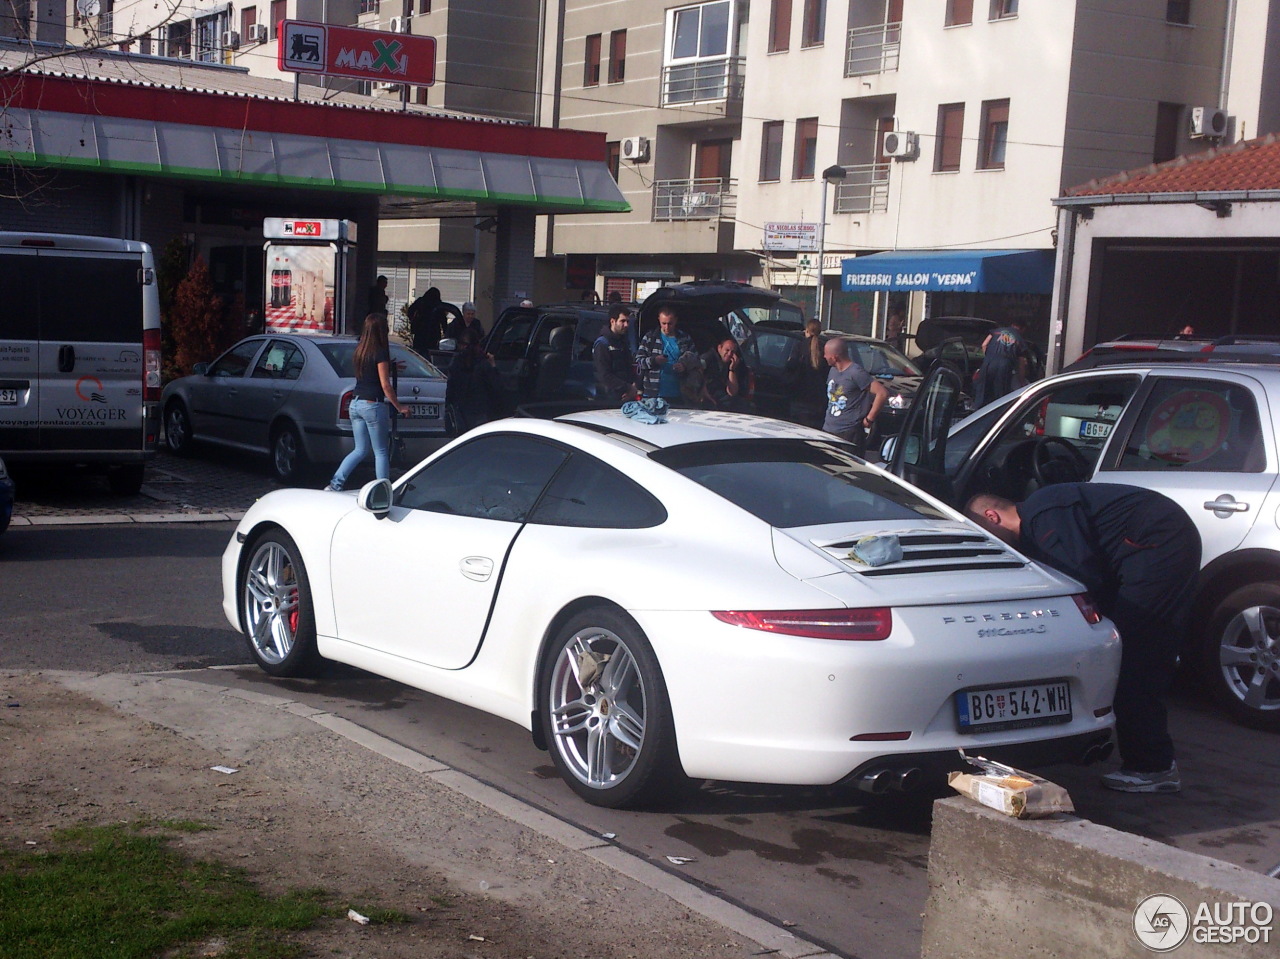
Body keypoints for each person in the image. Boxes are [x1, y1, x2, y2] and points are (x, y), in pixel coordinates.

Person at [965, 484, 1202, 794]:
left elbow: (1081, 581)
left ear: (992, 516)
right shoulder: (1044, 512)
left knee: (1136, 656)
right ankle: (1149, 758)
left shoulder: (1044, 521)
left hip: (1157, 543)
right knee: (1136, 647)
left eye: (983, 531)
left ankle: (1153, 766)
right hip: (1155, 538)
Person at [326, 313, 410, 491]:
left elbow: (370, 372)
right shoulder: (380, 351)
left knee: (360, 449)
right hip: (373, 405)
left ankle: (335, 484)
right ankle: (384, 491)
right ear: (381, 330)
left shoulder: (360, 350)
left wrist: (391, 365)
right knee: (380, 452)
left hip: (356, 404)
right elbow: (385, 385)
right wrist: (399, 407)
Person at [822, 337, 888, 455]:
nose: (824, 357)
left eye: (826, 354)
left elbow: (882, 393)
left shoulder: (856, 372)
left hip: (849, 433)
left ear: (835, 357)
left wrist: (869, 419)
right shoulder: (833, 370)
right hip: (829, 429)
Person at [636, 306, 699, 403]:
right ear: (659, 320)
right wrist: (654, 360)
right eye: (663, 323)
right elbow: (638, 363)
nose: (666, 327)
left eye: (670, 323)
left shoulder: (684, 338)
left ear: (676, 321)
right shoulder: (650, 338)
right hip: (652, 394)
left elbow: (695, 359)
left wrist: (684, 365)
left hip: (680, 394)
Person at [445, 327, 504, 432]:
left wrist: (449, 410)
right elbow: (497, 387)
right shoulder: (483, 364)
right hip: (480, 415)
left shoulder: (456, 364)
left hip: (461, 415)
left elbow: (450, 393)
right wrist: (493, 366)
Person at [974, 318, 1031, 408]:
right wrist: (1022, 381)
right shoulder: (1020, 339)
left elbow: (984, 344)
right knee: (1000, 396)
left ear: (1012, 325)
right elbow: (1021, 363)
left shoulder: (996, 331)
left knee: (982, 392)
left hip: (988, 363)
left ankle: (976, 413)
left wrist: (989, 357)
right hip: (1004, 366)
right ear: (1022, 329)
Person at [593, 303, 638, 404]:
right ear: (612, 321)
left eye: (627, 321)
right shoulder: (602, 344)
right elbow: (604, 375)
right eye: (622, 321)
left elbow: (628, 368)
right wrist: (627, 387)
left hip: (626, 396)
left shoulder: (623, 342)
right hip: (608, 398)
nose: (626, 325)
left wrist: (632, 387)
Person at [786, 320, 828, 428]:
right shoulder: (825, 347)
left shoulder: (799, 346)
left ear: (807, 331)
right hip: (819, 397)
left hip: (800, 395)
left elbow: (790, 367)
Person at [701, 337, 753, 412]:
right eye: (727, 350)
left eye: (732, 352)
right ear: (719, 348)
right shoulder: (708, 358)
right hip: (706, 395)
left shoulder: (731, 363)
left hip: (720, 396)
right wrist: (705, 394)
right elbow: (696, 372)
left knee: (743, 405)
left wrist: (732, 369)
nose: (729, 354)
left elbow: (732, 392)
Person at [405, 286, 444, 356]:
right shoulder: (438, 305)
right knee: (432, 353)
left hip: (420, 331)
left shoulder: (421, 301)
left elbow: (410, 310)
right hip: (433, 332)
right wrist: (445, 332)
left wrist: (414, 320)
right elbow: (443, 320)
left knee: (418, 353)